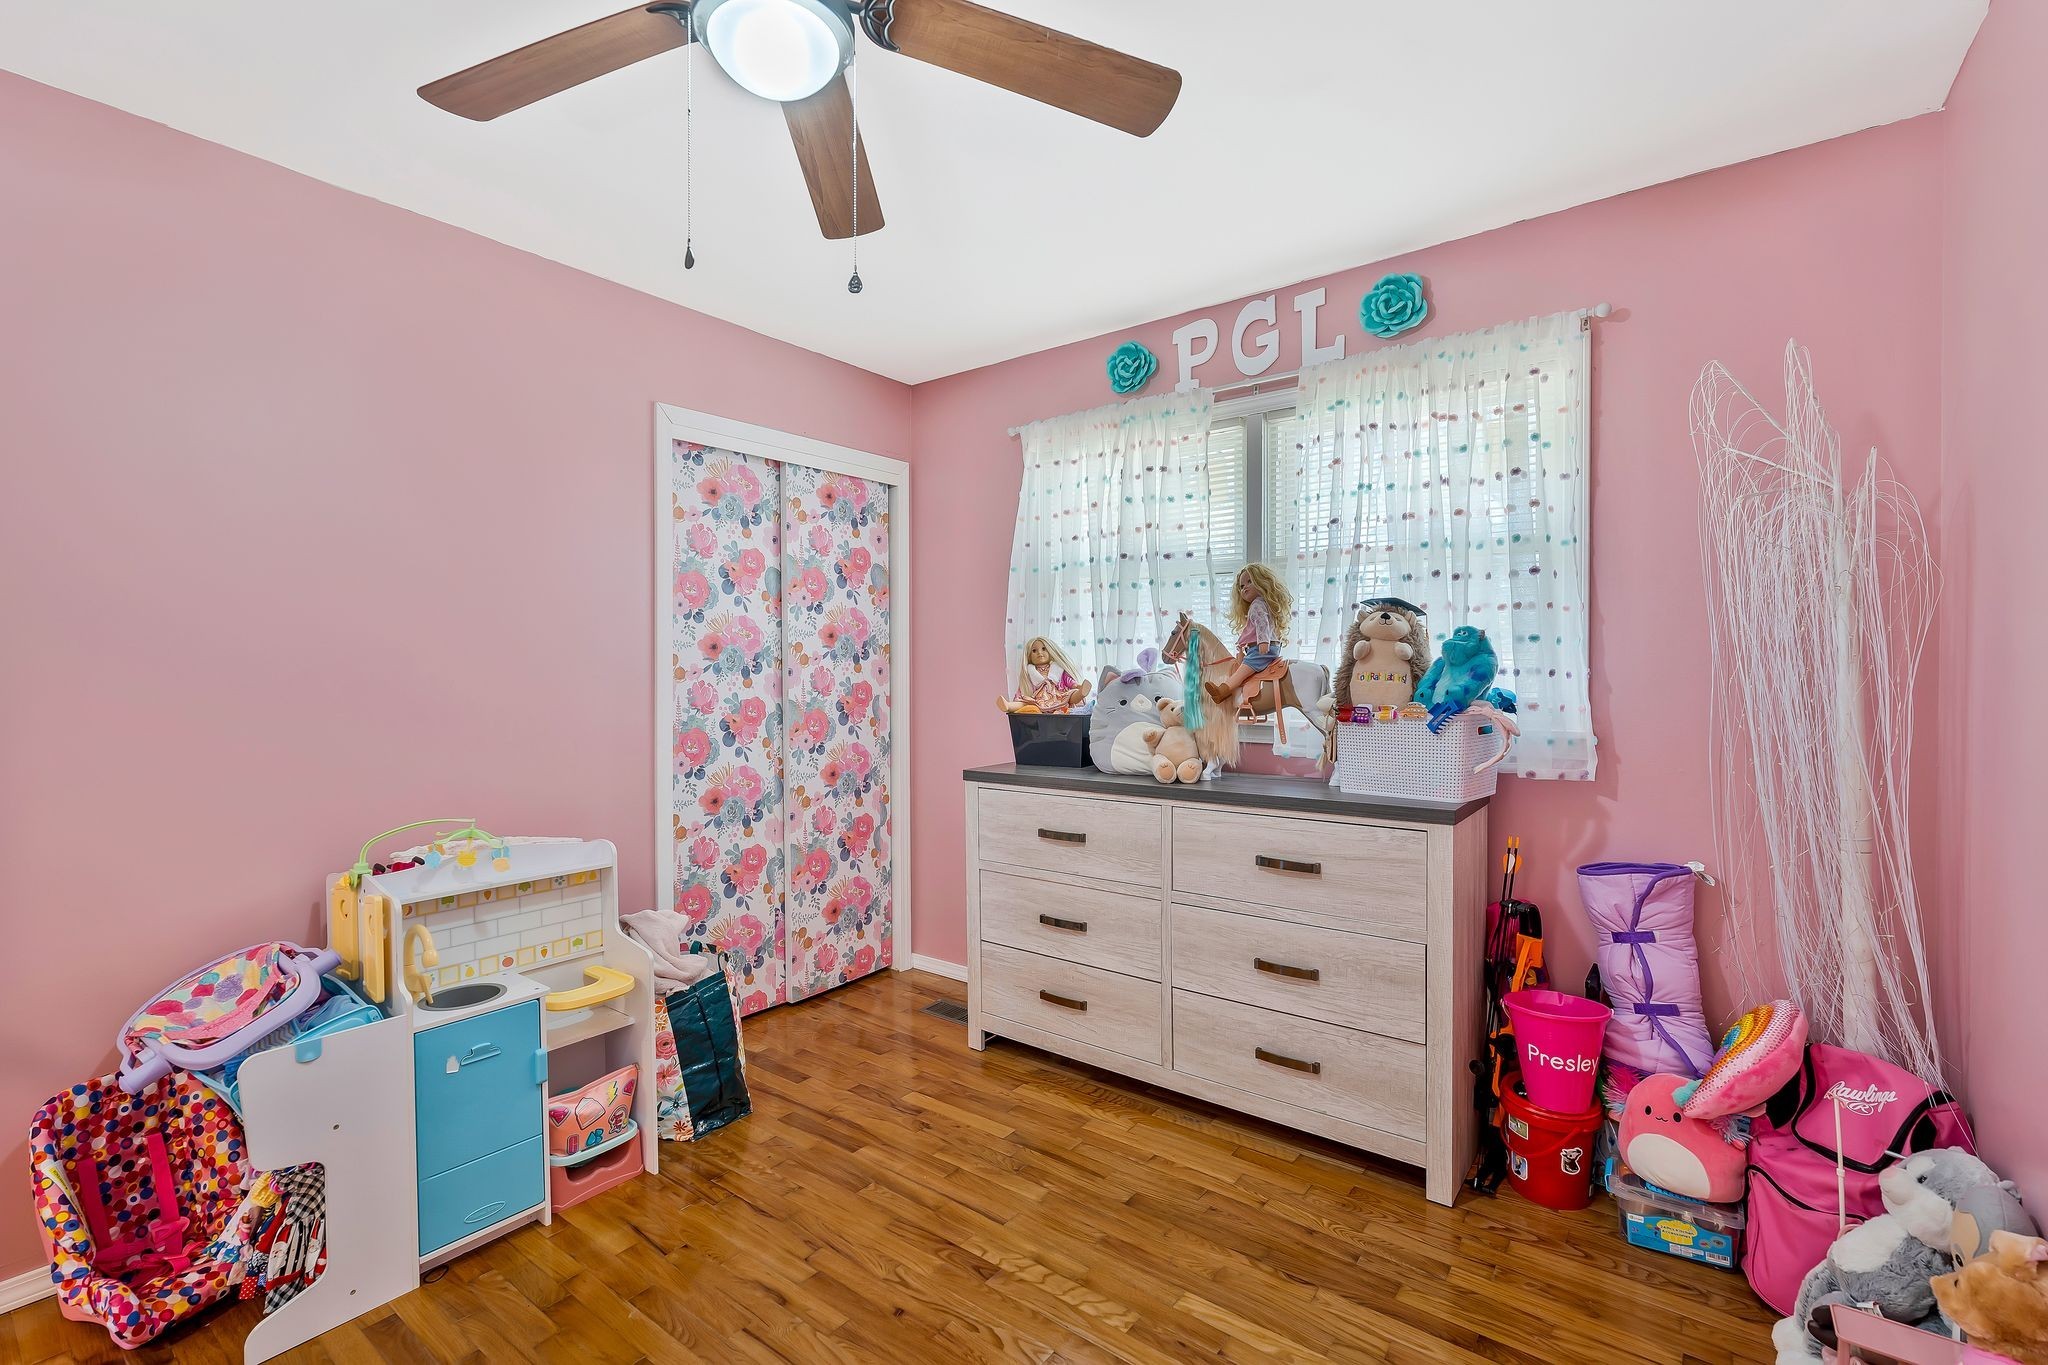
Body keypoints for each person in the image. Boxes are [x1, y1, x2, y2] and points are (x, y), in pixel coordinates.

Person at [1205, 564, 1291, 706]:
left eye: (1250, 582)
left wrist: (1263, 642)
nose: (1245, 587)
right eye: (1242, 586)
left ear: (1262, 582)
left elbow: (1262, 624)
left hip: (1260, 650)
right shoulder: (1262, 604)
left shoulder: (1257, 605)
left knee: (1240, 673)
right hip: (1260, 648)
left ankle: (1222, 691)